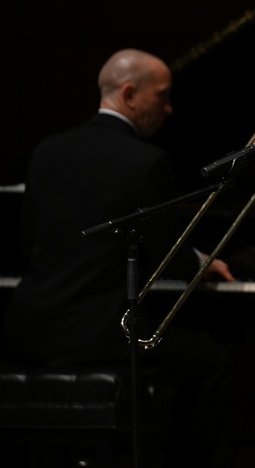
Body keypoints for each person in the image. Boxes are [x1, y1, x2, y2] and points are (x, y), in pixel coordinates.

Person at [2, 48, 235, 467]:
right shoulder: (147, 163)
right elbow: (172, 265)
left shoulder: (46, 151)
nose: (168, 108)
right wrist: (203, 260)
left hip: (30, 332)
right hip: (103, 336)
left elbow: (25, 249)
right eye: (161, 95)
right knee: (212, 360)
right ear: (129, 94)